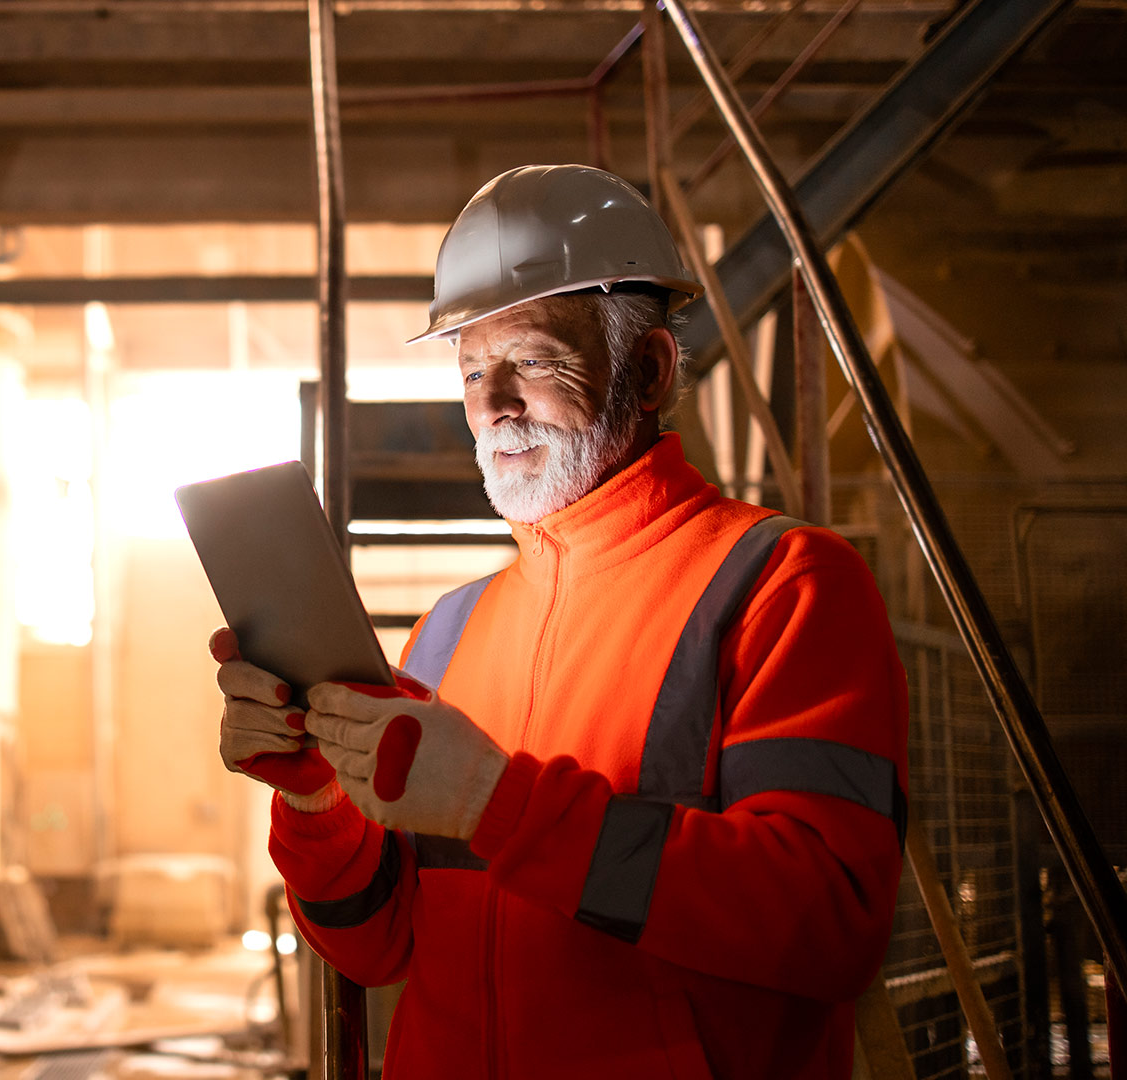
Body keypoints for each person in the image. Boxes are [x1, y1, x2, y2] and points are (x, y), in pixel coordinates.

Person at [213, 164, 908, 1078]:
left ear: (650, 368)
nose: (494, 402)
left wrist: (500, 804)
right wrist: (314, 795)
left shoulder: (781, 586)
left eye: (533, 359)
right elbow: (374, 946)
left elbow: (831, 923)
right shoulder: (449, 631)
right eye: (471, 369)